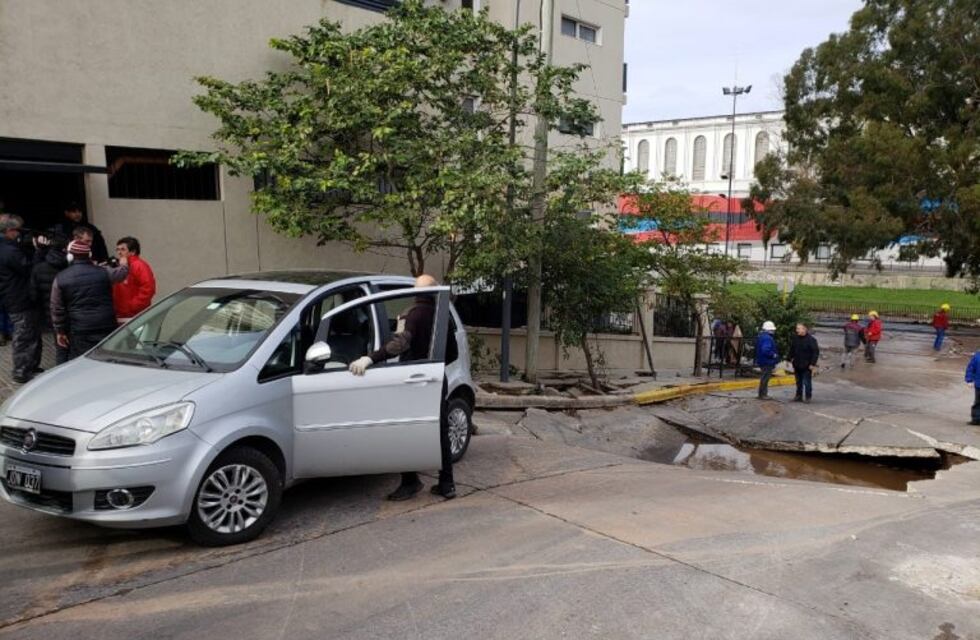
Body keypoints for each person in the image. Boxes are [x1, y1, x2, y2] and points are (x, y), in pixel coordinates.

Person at [348, 274, 456, 501]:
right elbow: (453, 353)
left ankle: (410, 482)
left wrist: (370, 358)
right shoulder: (443, 316)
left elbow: (399, 344)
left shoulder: (413, 315)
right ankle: (447, 484)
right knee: (440, 432)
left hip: (412, 381)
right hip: (436, 379)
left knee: (406, 431)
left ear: (416, 292)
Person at [51, 238, 128, 360]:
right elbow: (121, 274)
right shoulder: (104, 272)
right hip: (106, 324)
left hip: (80, 328)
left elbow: (57, 308)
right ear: (89, 255)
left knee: (83, 361)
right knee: (107, 359)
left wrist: (60, 331)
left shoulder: (61, 278)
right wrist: (124, 264)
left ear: (70, 256)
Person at [0, 216, 42, 382]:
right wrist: (38, 252)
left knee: (31, 332)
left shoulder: (7, 247)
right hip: (19, 297)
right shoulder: (9, 250)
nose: (20, 234)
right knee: (24, 335)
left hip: (17, 296)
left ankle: (30, 365)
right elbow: (28, 268)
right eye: (18, 230)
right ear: (9, 231)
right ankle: (21, 371)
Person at [30, 229, 70, 364]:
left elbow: (33, 295)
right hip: (73, 313)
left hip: (52, 314)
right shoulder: (71, 266)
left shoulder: (38, 268)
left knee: (61, 347)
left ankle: (61, 371)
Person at [112, 236, 156, 322]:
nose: (119, 252)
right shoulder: (120, 266)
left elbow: (148, 289)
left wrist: (132, 306)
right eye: (117, 249)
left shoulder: (139, 265)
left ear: (133, 252)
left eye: (123, 249)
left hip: (135, 316)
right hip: (121, 315)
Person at [788, 322, 819, 403]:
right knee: (798, 382)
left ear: (804, 329)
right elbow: (792, 349)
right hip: (797, 364)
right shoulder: (795, 338)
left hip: (807, 365)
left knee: (806, 382)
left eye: (798, 328)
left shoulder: (811, 340)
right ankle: (798, 396)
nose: (797, 330)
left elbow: (815, 353)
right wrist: (789, 359)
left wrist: (812, 364)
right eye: (797, 328)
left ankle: (808, 397)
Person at [754, 320, 780, 400]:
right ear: (769, 330)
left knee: (764, 378)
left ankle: (761, 394)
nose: (773, 331)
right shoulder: (767, 338)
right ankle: (763, 394)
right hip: (767, 361)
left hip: (763, 361)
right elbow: (765, 350)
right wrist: (773, 355)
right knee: (765, 378)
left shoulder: (762, 336)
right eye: (772, 330)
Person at [966, 347, 980, 426]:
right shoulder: (977, 356)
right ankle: (976, 419)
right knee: (978, 402)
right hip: (979, 384)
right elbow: (970, 368)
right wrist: (969, 380)